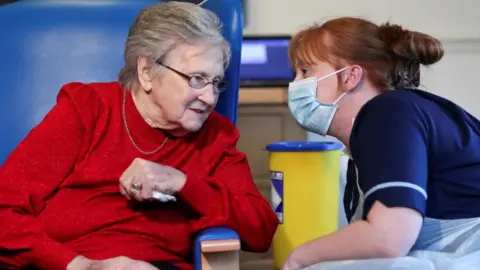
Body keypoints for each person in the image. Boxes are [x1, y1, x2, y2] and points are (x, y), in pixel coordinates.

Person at [0, 2, 278, 270]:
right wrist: (77, 264)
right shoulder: (86, 109)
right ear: (146, 72)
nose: (209, 97)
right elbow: (5, 209)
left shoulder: (215, 135)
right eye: (196, 78)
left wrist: (181, 182)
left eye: (216, 82)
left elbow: (261, 230)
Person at [283, 17, 480, 270]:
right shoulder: (397, 115)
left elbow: (388, 237)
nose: (295, 85)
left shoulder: (387, 112)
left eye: (305, 71)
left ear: (350, 76)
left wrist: (299, 257)